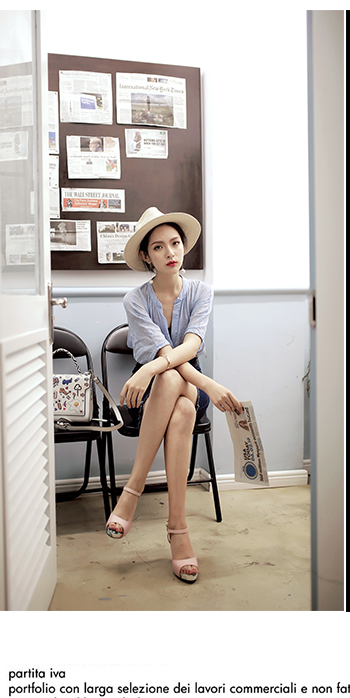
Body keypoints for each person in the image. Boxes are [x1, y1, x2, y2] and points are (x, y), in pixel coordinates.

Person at [105, 208, 244, 585]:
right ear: (146, 256)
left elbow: (190, 347)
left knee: (171, 380)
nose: (170, 252)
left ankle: (131, 492)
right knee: (179, 404)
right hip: (151, 391)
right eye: (158, 247)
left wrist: (167, 373)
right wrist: (207, 383)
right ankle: (178, 530)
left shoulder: (201, 292)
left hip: (181, 378)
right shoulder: (135, 299)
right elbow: (164, 354)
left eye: (175, 243)